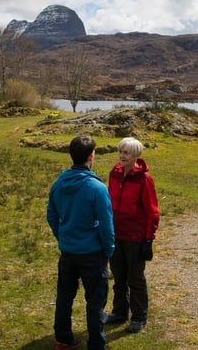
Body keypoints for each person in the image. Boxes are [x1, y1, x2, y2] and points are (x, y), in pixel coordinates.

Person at [47, 135, 115, 350]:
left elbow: (52, 215)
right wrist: (108, 250)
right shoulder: (97, 188)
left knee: (64, 297)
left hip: (68, 253)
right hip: (93, 254)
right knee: (95, 302)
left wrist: (63, 237)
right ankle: (96, 344)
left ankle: (63, 339)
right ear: (91, 156)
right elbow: (106, 225)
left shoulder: (59, 183)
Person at [104, 137, 160, 334]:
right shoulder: (114, 174)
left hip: (135, 237)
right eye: (120, 151)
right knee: (119, 276)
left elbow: (152, 212)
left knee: (135, 278)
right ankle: (119, 312)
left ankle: (139, 317)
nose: (122, 155)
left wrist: (148, 239)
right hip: (115, 234)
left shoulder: (145, 179)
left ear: (135, 155)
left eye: (126, 152)